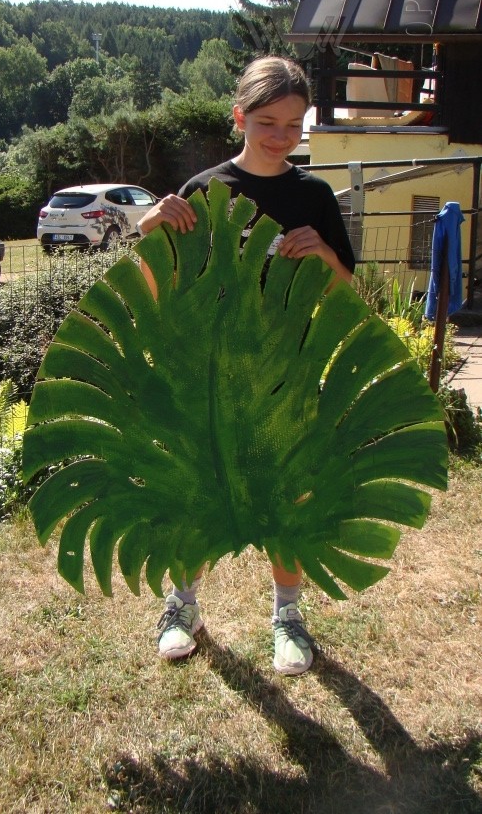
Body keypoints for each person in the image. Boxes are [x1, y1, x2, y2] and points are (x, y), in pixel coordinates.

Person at [136, 56, 355, 676]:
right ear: (240, 118)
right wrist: (149, 226)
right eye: (267, 122)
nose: (281, 135)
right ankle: (183, 606)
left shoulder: (313, 197)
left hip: (289, 368)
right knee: (200, 493)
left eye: (293, 124)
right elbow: (154, 285)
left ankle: (287, 615)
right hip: (210, 373)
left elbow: (344, 291)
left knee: (288, 495)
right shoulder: (205, 191)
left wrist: (324, 255)